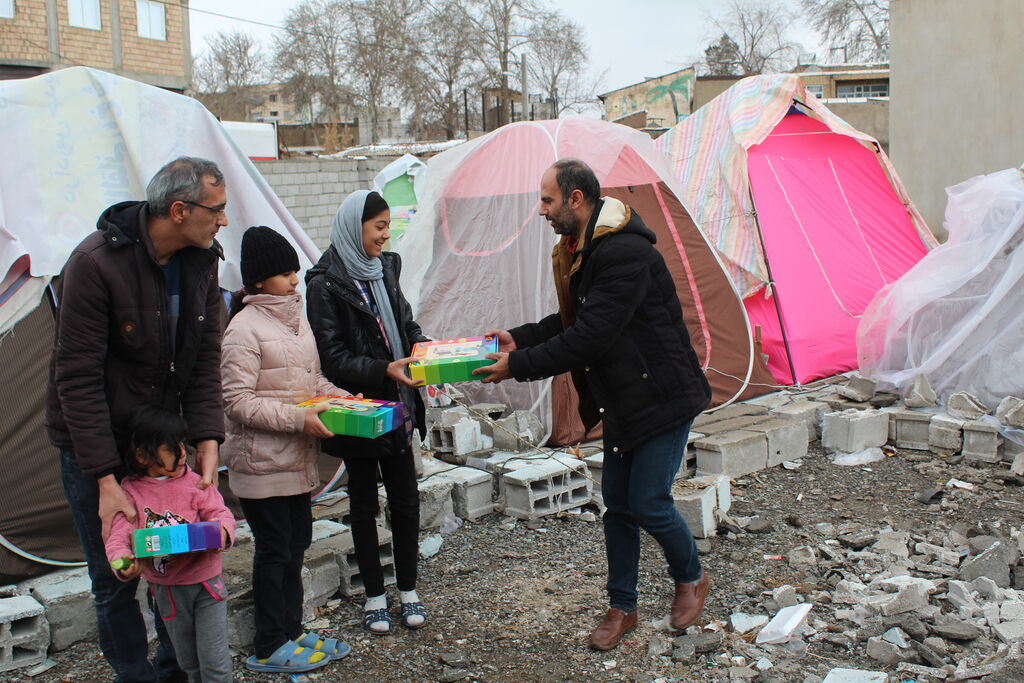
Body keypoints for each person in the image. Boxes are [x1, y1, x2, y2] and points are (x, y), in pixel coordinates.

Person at [474, 158, 713, 651]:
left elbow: (591, 337)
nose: (541, 210)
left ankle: (690, 576)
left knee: (648, 502)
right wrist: (517, 340)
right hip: (624, 398)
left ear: (575, 199)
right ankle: (622, 606)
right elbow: (573, 317)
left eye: (547, 200)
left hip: (663, 396)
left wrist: (516, 368)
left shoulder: (622, 252)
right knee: (618, 509)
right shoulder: (581, 249)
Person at [46, 156, 228, 682]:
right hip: (97, 447)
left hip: (160, 447)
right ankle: (134, 674)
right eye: (216, 210)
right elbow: (75, 379)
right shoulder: (95, 263)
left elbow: (203, 358)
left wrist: (208, 439)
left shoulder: (201, 260)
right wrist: (105, 478)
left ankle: (174, 670)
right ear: (178, 210)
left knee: (172, 562)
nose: (222, 222)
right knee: (116, 574)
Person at [220, 226, 352, 673]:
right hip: (261, 465)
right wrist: (299, 418)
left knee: (297, 543)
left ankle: (292, 632)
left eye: (294, 270)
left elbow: (309, 382)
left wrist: (343, 399)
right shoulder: (244, 329)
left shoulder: (295, 320)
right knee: (275, 549)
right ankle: (267, 644)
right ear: (258, 281)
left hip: (296, 457)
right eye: (284, 273)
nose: (295, 280)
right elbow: (236, 403)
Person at [306, 190, 429, 635]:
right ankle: (375, 595)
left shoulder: (386, 267)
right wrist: (383, 369)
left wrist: (423, 347)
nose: (385, 235)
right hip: (361, 412)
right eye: (378, 226)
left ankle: (409, 589)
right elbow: (331, 357)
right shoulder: (324, 284)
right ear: (353, 227)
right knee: (362, 504)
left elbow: (405, 321)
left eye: (387, 226)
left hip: (401, 406)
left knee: (405, 500)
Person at [105, 406, 237, 683]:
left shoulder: (196, 483)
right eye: (170, 447)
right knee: (187, 661)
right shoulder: (130, 492)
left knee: (215, 664)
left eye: (181, 444)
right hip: (168, 592)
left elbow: (220, 513)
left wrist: (223, 532)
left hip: (207, 586)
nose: (181, 453)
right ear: (142, 455)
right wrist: (123, 560)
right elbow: (119, 534)